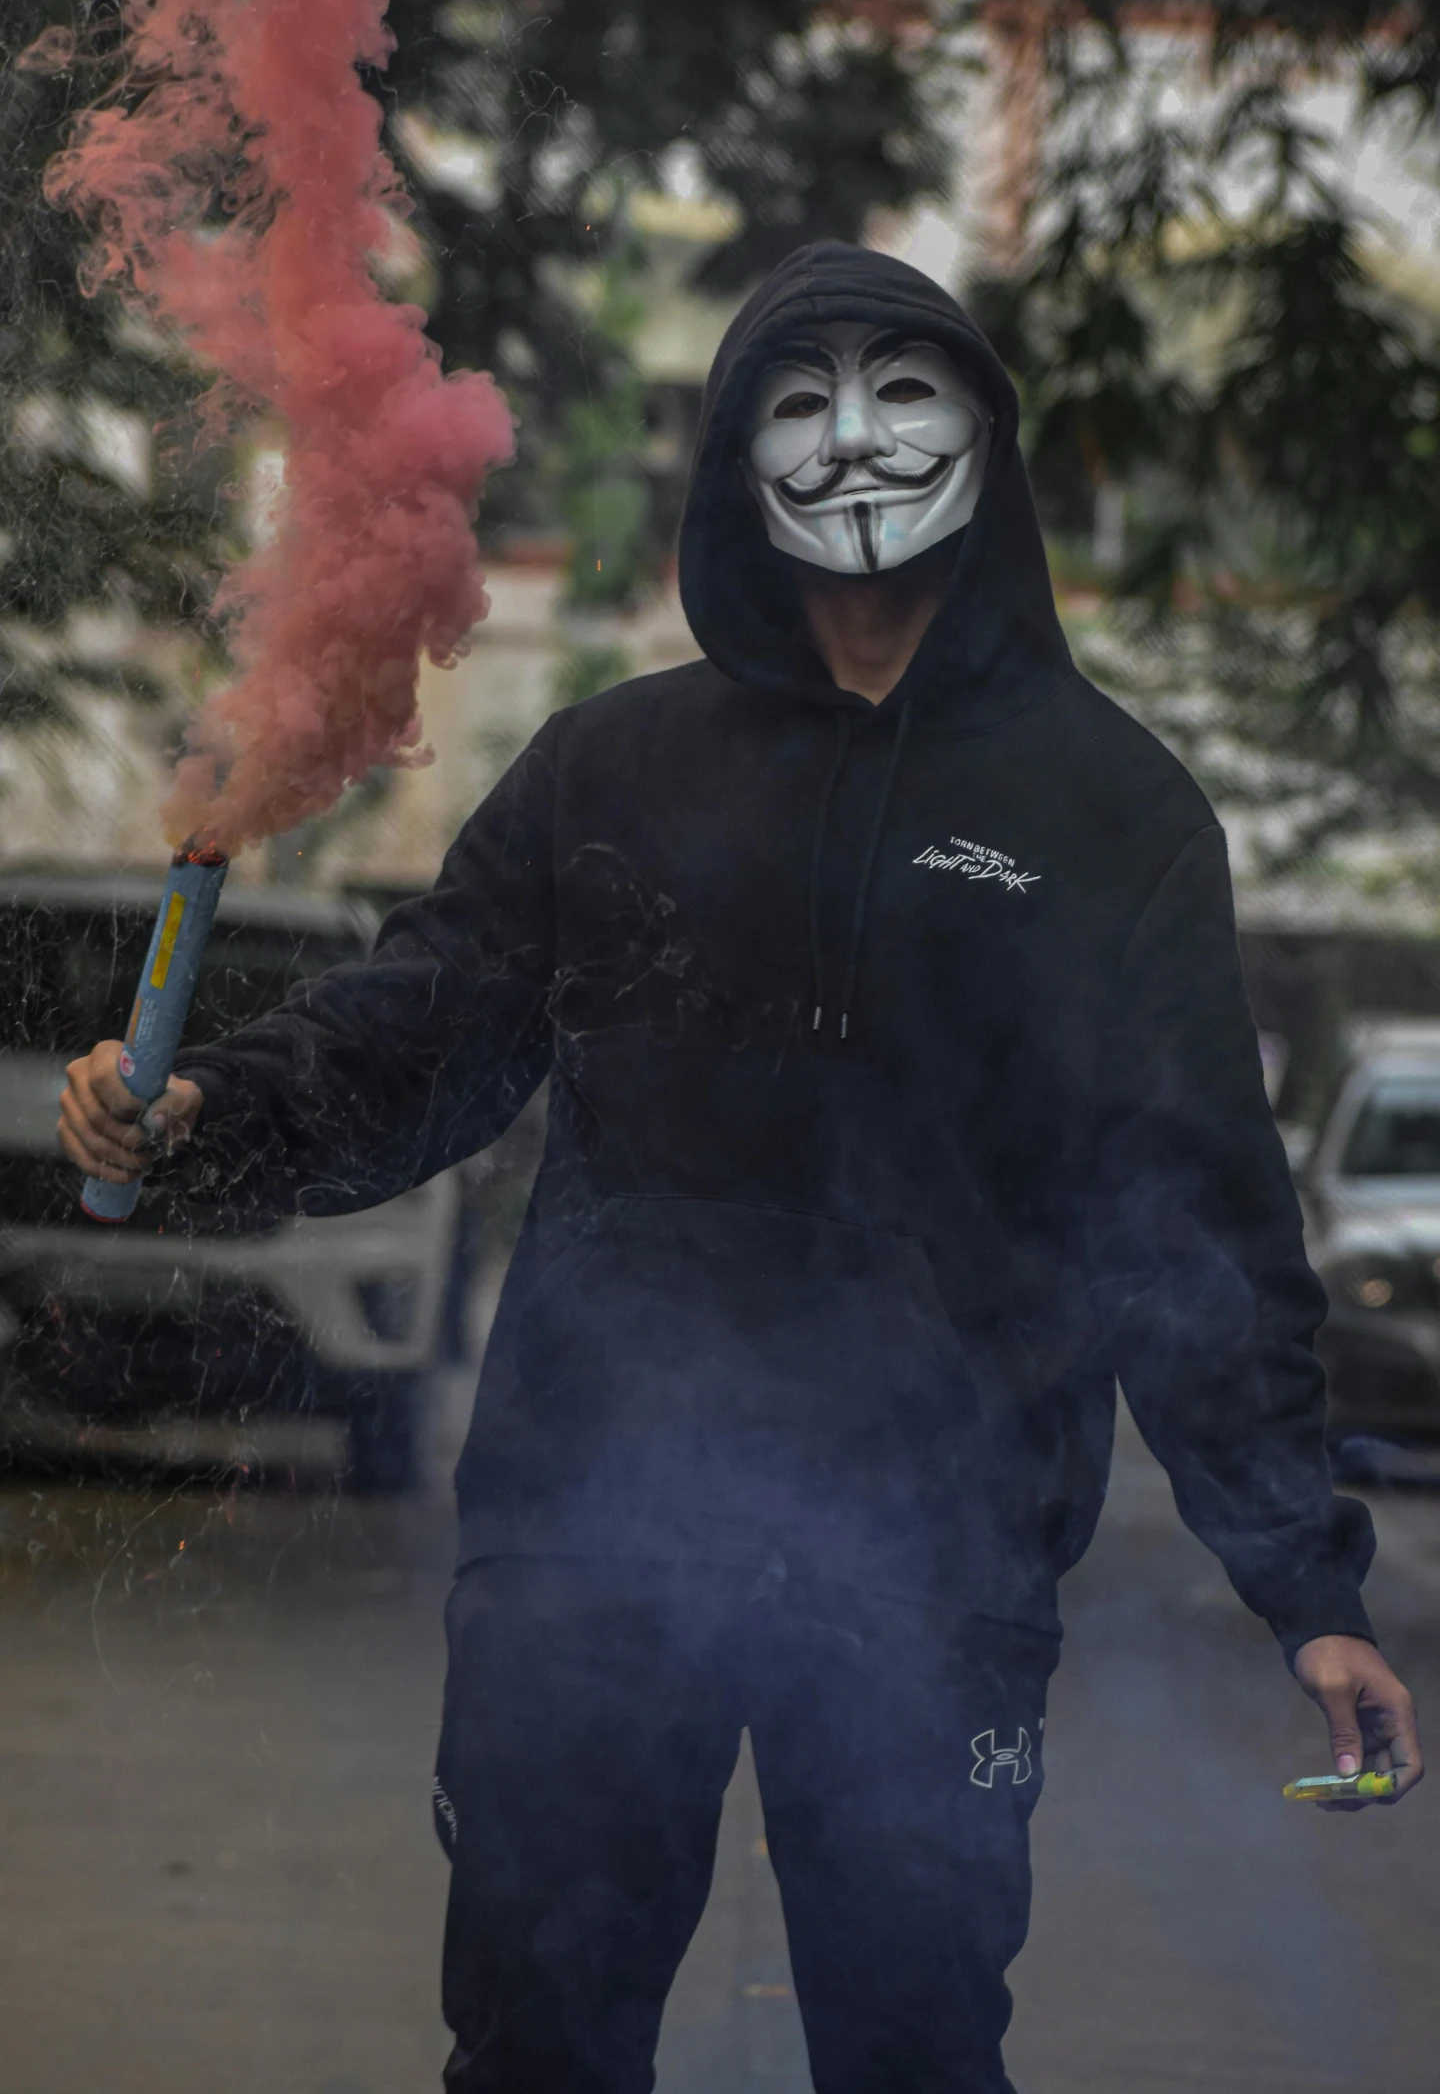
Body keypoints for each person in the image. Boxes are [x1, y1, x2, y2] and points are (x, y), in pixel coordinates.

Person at [61, 242, 1423, 2094]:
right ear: (732, 465)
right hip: (592, 1543)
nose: (855, 440)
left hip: (935, 1559)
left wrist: (1309, 1582)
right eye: (799, 397)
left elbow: (1193, 1218)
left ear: (987, 441)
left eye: (904, 389)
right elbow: (424, 1023)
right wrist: (210, 1114)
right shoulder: (612, 769)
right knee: (538, 2045)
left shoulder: (1115, 815)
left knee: (917, 2047)